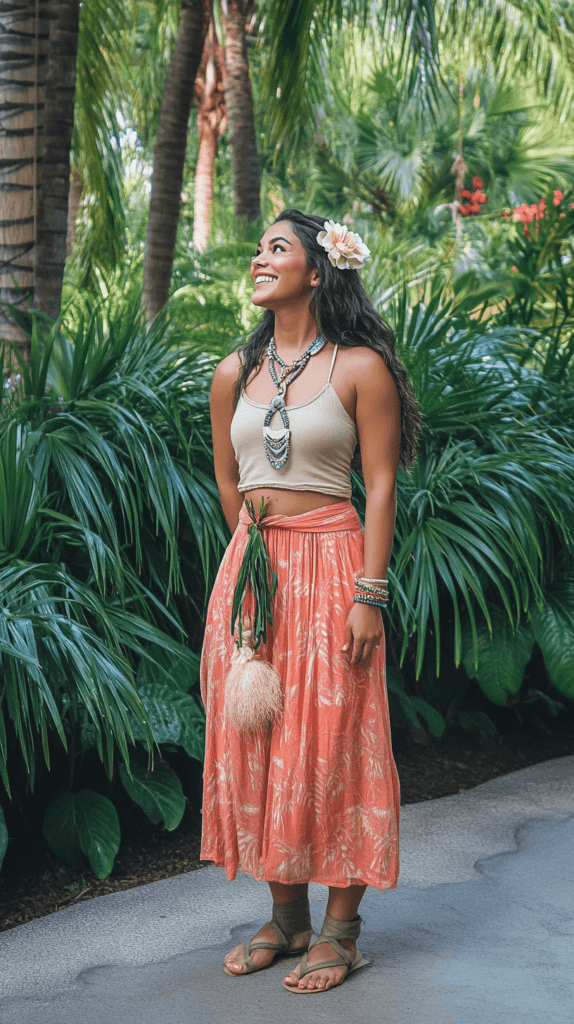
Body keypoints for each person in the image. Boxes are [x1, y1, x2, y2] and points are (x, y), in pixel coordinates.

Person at [200, 209, 420, 993]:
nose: (260, 257)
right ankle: (287, 918)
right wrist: (253, 564)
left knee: (336, 738)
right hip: (256, 578)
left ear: (318, 271)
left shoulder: (362, 368)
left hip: (337, 567)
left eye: (278, 248)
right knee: (261, 741)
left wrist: (369, 592)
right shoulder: (236, 372)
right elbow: (230, 480)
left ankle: (342, 930)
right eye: (259, 247)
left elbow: (383, 483)